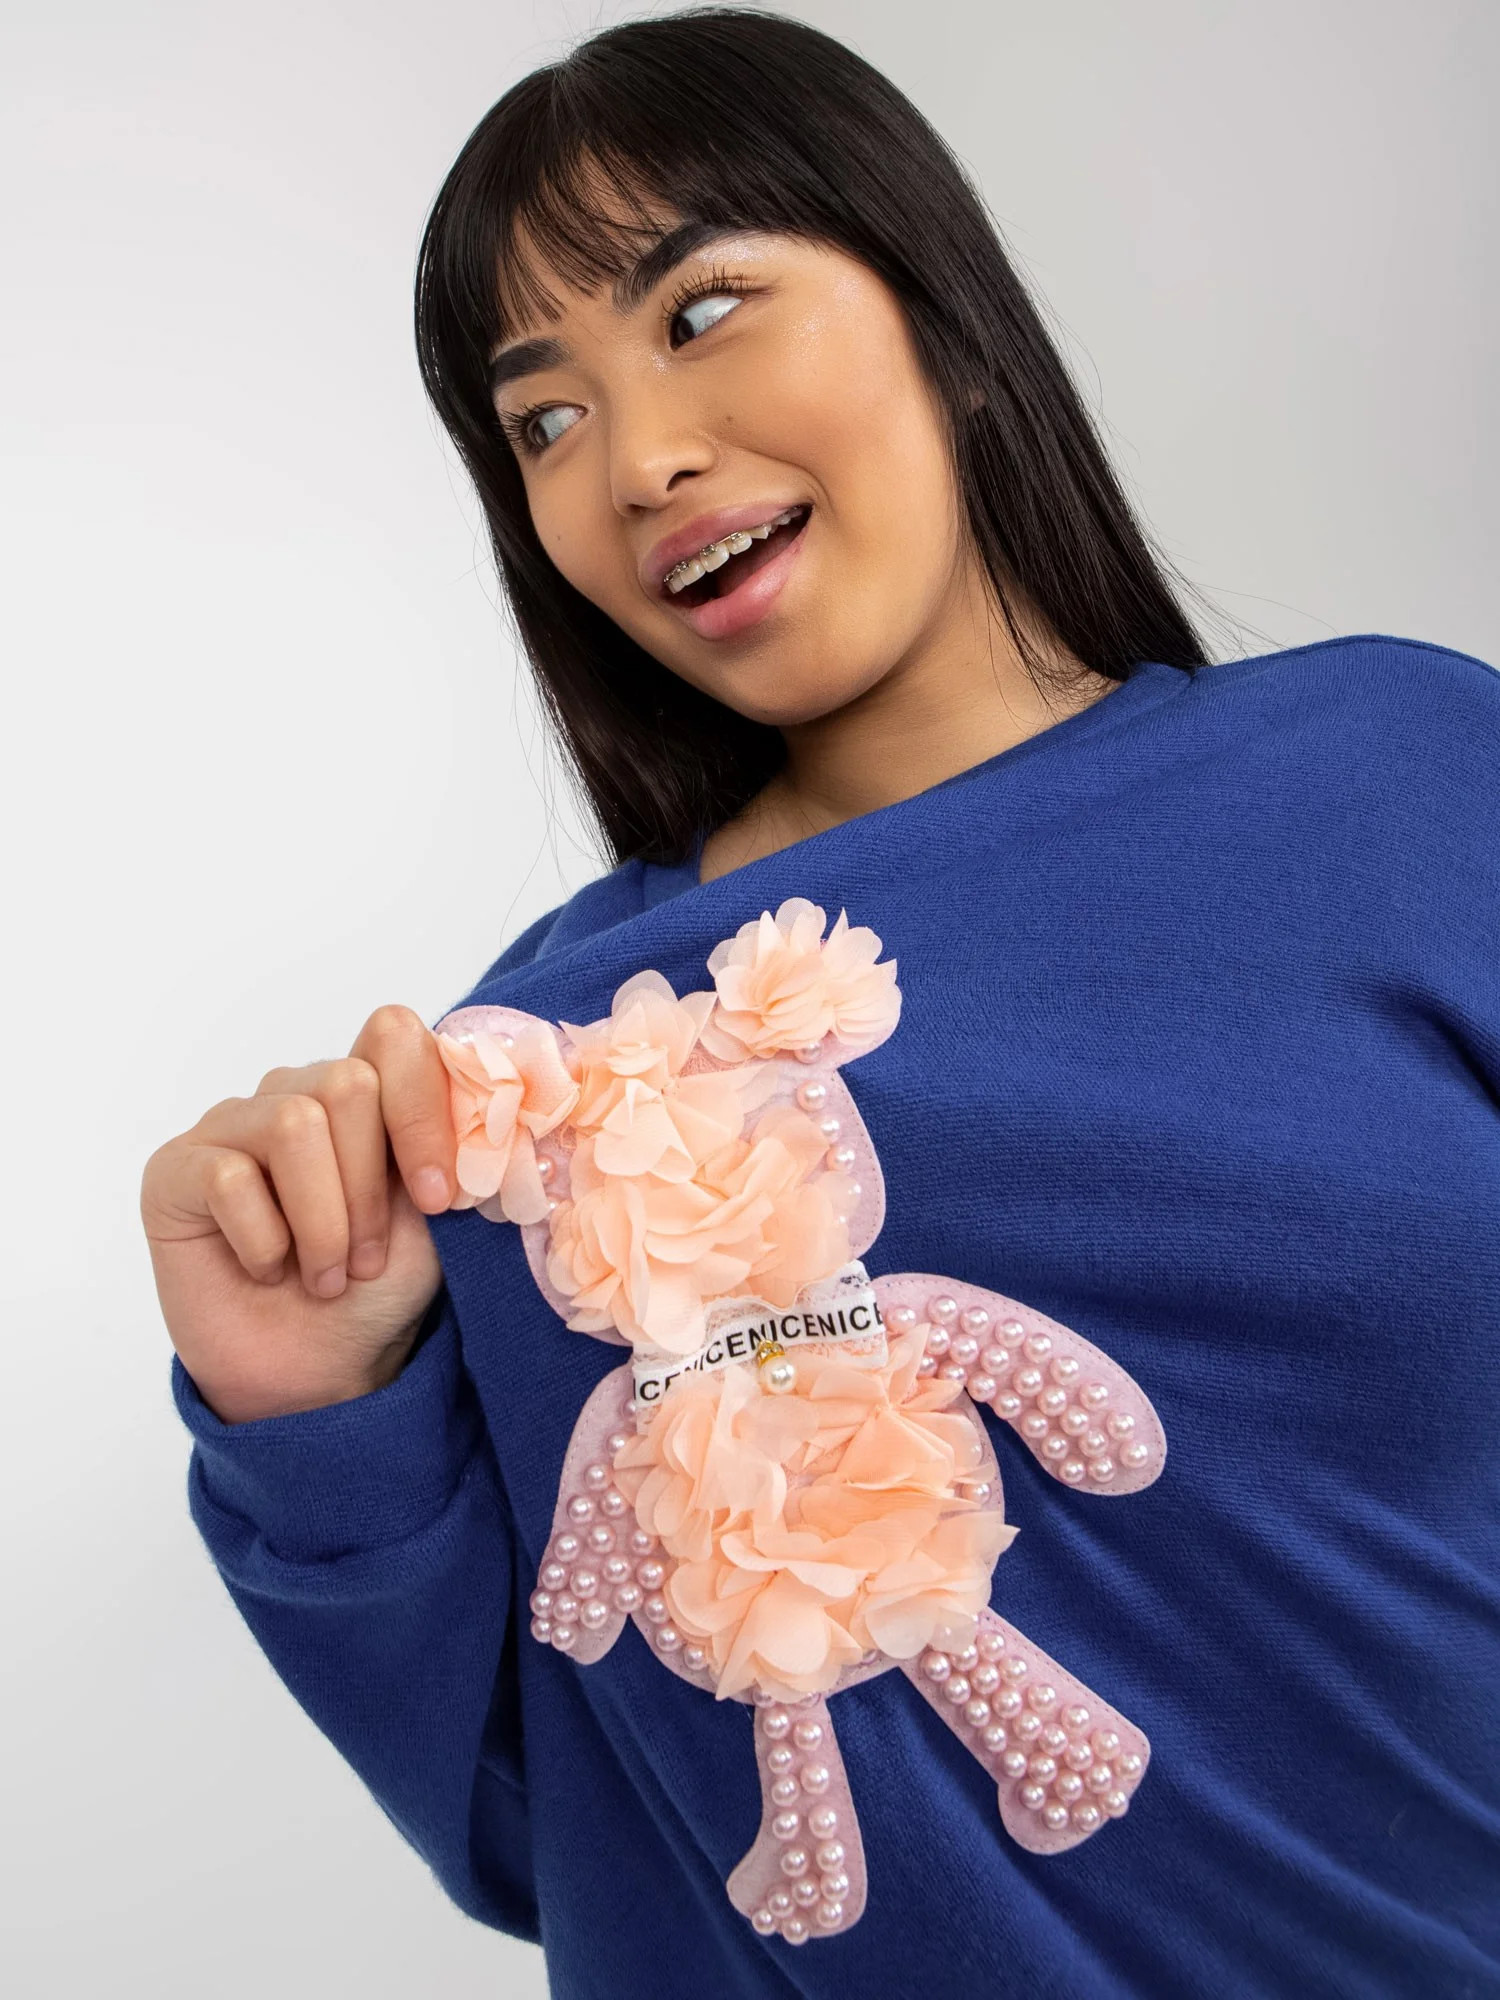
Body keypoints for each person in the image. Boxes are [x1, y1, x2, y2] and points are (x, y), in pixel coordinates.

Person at [141, 10, 1500, 1997]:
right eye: (544, 421)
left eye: (700, 312)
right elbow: (555, 1827)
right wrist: (307, 1411)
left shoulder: (1409, 776)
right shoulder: (540, 1080)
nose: (641, 462)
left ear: (940, 306)